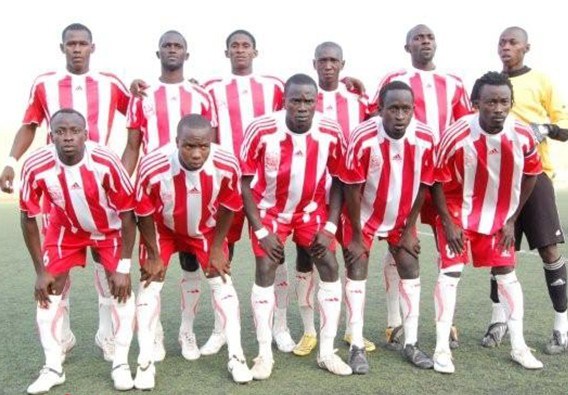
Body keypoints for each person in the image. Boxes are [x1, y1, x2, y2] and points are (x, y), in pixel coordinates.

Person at [0, 22, 131, 363]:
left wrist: (125, 170)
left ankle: (107, 335)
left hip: (100, 188)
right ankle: (65, 335)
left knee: (107, 261)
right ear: (62, 48)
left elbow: (136, 118)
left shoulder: (110, 83)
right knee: (56, 263)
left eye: (82, 43)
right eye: (70, 43)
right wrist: (11, 161)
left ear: (92, 47)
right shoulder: (44, 84)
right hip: (57, 188)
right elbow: (29, 125)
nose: (76, 48)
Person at [241, 73, 352, 379]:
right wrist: (260, 231)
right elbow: (245, 181)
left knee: (329, 265)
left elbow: (340, 179)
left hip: (310, 210)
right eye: (296, 100)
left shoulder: (330, 130)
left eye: (308, 101)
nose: (302, 107)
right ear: (284, 101)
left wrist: (330, 225)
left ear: (316, 102)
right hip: (269, 211)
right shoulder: (261, 129)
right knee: (266, 267)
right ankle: (264, 354)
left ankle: (327, 352)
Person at [432, 71, 544, 373]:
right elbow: (436, 180)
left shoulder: (522, 135)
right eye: (491, 102)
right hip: (458, 210)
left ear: (511, 103)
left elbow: (533, 173)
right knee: (451, 272)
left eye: (504, 102)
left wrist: (512, 219)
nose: (498, 108)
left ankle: (519, 346)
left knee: (507, 273)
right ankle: (441, 348)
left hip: (499, 215)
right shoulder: (456, 134)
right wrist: (447, 221)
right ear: (475, 103)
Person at [370, 24, 472, 349]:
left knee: (450, 247)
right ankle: (394, 321)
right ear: (407, 46)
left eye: (429, 37)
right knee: (399, 244)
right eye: (418, 37)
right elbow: (372, 113)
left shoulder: (454, 83)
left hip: (444, 181)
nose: (424, 42)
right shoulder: (394, 79)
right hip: (407, 180)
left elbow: (466, 127)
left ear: (436, 43)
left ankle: (447, 321)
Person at [20, 109, 136, 394]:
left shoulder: (105, 161)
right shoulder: (36, 165)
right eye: (60, 132)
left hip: (108, 229)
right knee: (49, 290)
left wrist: (123, 267)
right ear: (51, 135)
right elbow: (27, 216)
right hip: (65, 229)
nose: (68, 137)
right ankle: (52, 367)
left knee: (119, 289)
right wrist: (39, 270)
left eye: (74, 131)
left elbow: (128, 213)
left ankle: (120, 363)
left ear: (86, 134)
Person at [132, 114, 252, 388]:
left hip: (204, 228)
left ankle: (234, 355)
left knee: (222, 280)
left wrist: (219, 246)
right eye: (189, 146)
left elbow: (229, 205)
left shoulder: (227, 163)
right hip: (163, 228)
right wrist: (152, 253)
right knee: (150, 282)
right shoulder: (153, 165)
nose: (197, 154)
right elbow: (144, 211)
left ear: (211, 143)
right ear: (176, 142)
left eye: (203, 147)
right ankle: (145, 361)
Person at [121, 30, 217, 362]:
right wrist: (122, 184)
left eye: (178, 46)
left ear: (186, 54)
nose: (172, 50)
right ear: (158, 52)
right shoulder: (142, 95)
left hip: (191, 193)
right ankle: (156, 333)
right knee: (152, 266)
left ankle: (186, 331)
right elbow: (133, 146)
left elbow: (210, 146)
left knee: (191, 262)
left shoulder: (202, 95)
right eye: (166, 46)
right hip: (154, 192)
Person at [201, 29, 295, 355]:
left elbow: (302, 109)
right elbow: (206, 131)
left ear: (256, 52)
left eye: (245, 46)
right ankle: (221, 327)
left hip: (265, 185)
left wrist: (350, 86)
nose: (240, 50)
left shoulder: (275, 87)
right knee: (220, 252)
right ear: (226, 53)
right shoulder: (211, 89)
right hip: (225, 183)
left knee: (273, 252)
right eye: (234, 46)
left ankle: (278, 326)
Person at [480, 26, 568, 354]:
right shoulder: (489, 83)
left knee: (548, 250)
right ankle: (497, 320)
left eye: (512, 42)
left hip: (536, 175)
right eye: (501, 41)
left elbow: (566, 127)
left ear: (526, 48)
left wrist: (547, 128)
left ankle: (562, 326)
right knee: (499, 251)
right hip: (499, 180)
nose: (505, 47)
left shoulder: (541, 81)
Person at [341, 81, 436, 372]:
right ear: (380, 109)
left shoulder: (425, 137)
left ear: (412, 110)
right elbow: (352, 189)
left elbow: (425, 184)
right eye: (392, 108)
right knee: (357, 269)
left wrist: (409, 228)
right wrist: (356, 236)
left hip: (401, 218)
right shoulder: (363, 136)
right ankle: (356, 344)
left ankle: (411, 342)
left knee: (411, 268)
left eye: (405, 109)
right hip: (364, 217)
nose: (399, 115)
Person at [291, 41, 373, 358]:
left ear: (342, 64)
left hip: (351, 194)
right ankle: (309, 330)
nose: (328, 65)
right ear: (314, 64)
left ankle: (354, 330)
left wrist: (364, 89)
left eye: (333, 60)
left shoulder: (358, 100)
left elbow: (378, 119)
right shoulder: (301, 97)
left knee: (356, 258)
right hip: (310, 196)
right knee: (307, 258)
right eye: (322, 60)